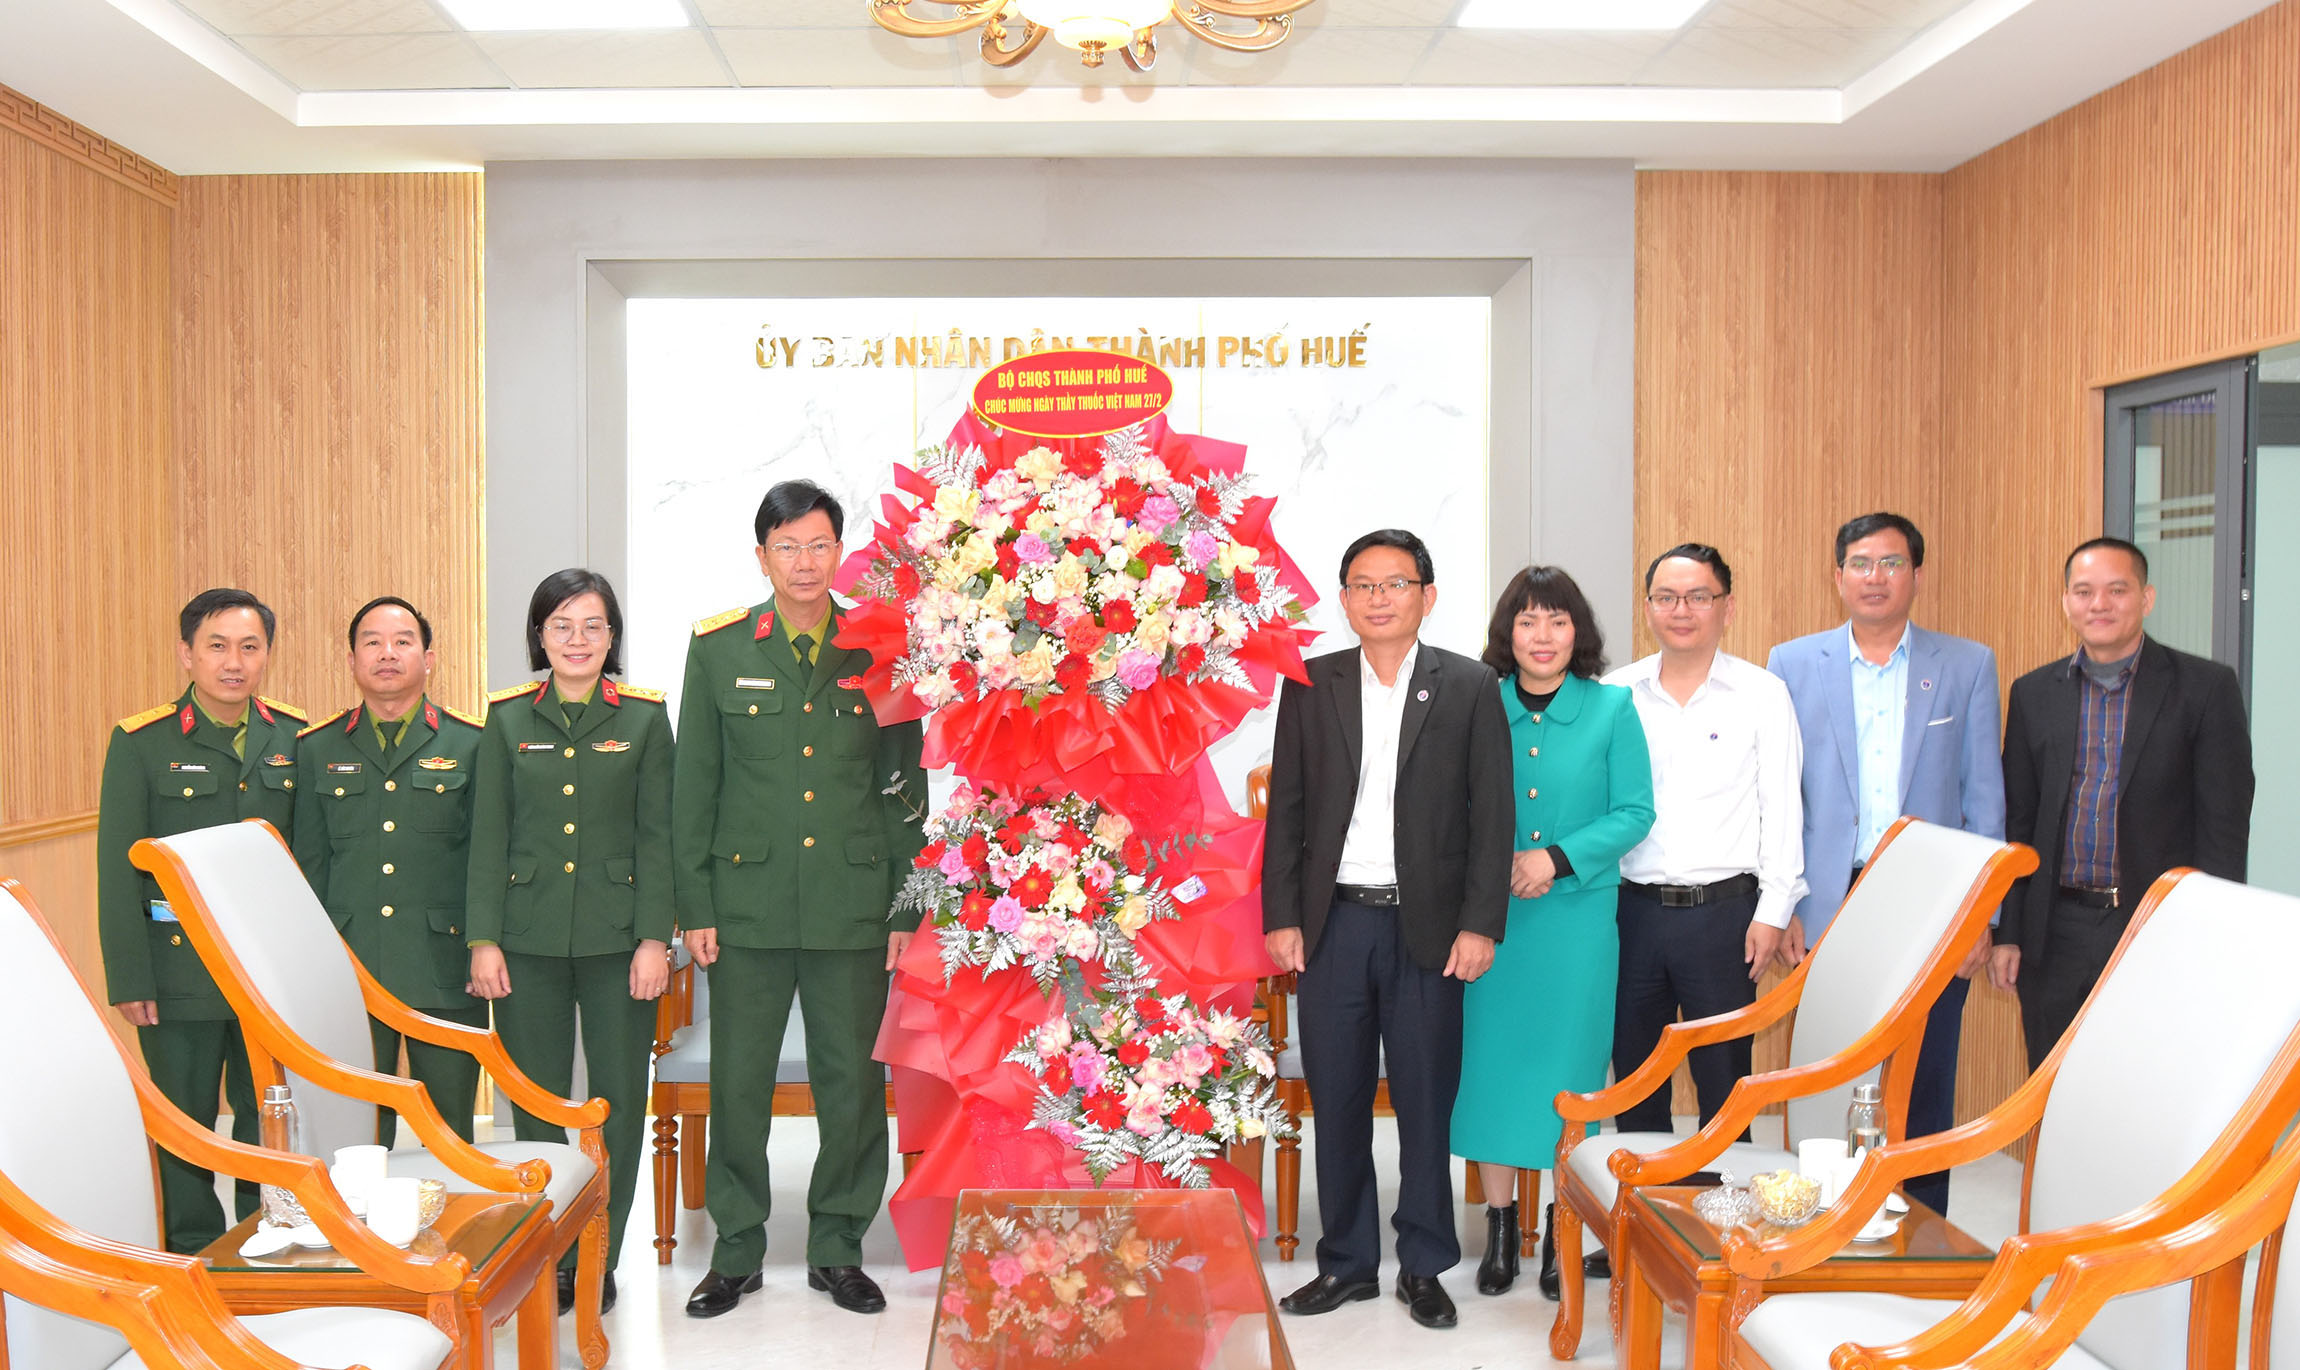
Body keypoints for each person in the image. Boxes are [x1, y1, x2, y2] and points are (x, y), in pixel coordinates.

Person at [673, 480, 927, 1319]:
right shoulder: (718, 650)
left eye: (819, 545)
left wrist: (905, 906)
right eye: (788, 547)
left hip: (852, 903)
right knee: (739, 1083)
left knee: (850, 1084)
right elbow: (694, 786)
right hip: (744, 904)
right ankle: (735, 1253)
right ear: (762, 557)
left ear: (839, 553)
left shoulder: (879, 647)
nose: (805, 562)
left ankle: (838, 1247)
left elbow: (904, 790)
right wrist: (695, 904)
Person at [1263, 528, 1513, 1331]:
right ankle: (1346, 1263)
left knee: (1424, 1102)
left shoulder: (1469, 685)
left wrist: (1480, 924)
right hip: (1333, 924)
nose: (1379, 598)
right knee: (1336, 1098)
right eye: (1363, 585)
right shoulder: (1311, 683)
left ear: (1426, 596)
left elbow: (1493, 816)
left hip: (1428, 929)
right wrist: (1282, 917)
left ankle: (1425, 1266)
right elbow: (1289, 810)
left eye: (1395, 583)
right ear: (1344, 601)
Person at [1766, 513, 2002, 1217]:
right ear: (1837, 576)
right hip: (1828, 900)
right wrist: (1785, 904)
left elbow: (1984, 800)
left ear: (1917, 575)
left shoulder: (1966, 665)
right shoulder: (1792, 663)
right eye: (1861, 564)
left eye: (1892, 563)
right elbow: (1778, 797)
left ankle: (1922, 1233)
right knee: (1827, 1074)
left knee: (1925, 1076)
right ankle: (1825, 1226)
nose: (1876, 577)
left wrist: (1983, 917)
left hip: (1932, 907)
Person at [465, 569, 675, 1317]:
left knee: (617, 1103)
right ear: (539, 636)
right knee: (537, 1105)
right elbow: (487, 837)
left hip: (621, 944)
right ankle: (550, 1252)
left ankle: (601, 1257)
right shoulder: (506, 719)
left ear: (612, 636)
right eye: (561, 625)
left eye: (593, 625)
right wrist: (483, 939)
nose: (578, 640)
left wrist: (654, 940)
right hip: (526, 940)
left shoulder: (645, 718)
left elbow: (659, 837)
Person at [1451, 566, 1653, 1301]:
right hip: (1492, 924)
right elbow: (1451, 805)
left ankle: (1560, 1229)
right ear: (1507, 633)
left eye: (1558, 621)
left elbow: (1635, 812)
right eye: (1528, 621)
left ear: (1578, 632)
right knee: (1492, 1074)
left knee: (1569, 1080)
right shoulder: (1476, 703)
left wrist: (1556, 859)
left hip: (1576, 925)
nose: (1543, 636)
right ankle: (1502, 1229)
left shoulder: (1612, 708)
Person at [97, 588, 304, 1253]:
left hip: (266, 969)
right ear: (187, 654)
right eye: (217, 646)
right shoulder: (142, 742)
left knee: (266, 1112)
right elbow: (118, 867)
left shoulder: (294, 737)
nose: (233, 662)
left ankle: (262, 1237)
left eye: (249, 647)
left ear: (267, 655)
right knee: (184, 1122)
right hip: (177, 967)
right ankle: (191, 1252)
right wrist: (131, 976)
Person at [1995, 537, 2252, 1068]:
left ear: (2146, 598)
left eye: (2117, 590)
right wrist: (2009, 934)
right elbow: (2019, 821)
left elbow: (2224, 828)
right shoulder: (2033, 693)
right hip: (2055, 932)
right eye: (2084, 591)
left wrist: (2211, 934)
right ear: (2066, 602)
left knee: (2146, 1081)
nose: (2100, 604)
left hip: (2156, 926)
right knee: (2051, 1086)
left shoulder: (2205, 688)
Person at [1604, 544, 1805, 1136]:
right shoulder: (1616, 694)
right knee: (1635, 1081)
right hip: (1631, 914)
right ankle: (1644, 1194)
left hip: (1725, 919)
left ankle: (1725, 1198)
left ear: (1727, 607)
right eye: (1666, 597)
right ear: (1647, 608)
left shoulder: (1763, 694)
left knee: (1725, 1087)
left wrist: (1773, 912)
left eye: (1698, 597)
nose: (1681, 610)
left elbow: (1783, 811)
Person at [293, 596, 489, 1145]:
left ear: (429, 659)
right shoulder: (316, 748)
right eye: (372, 642)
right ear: (351, 660)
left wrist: (482, 945)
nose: (387, 653)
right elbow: (308, 868)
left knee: (449, 1134)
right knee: (354, 1134)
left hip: (444, 967)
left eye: (403, 641)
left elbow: (485, 859)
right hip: (349, 969)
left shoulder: (472, 743)